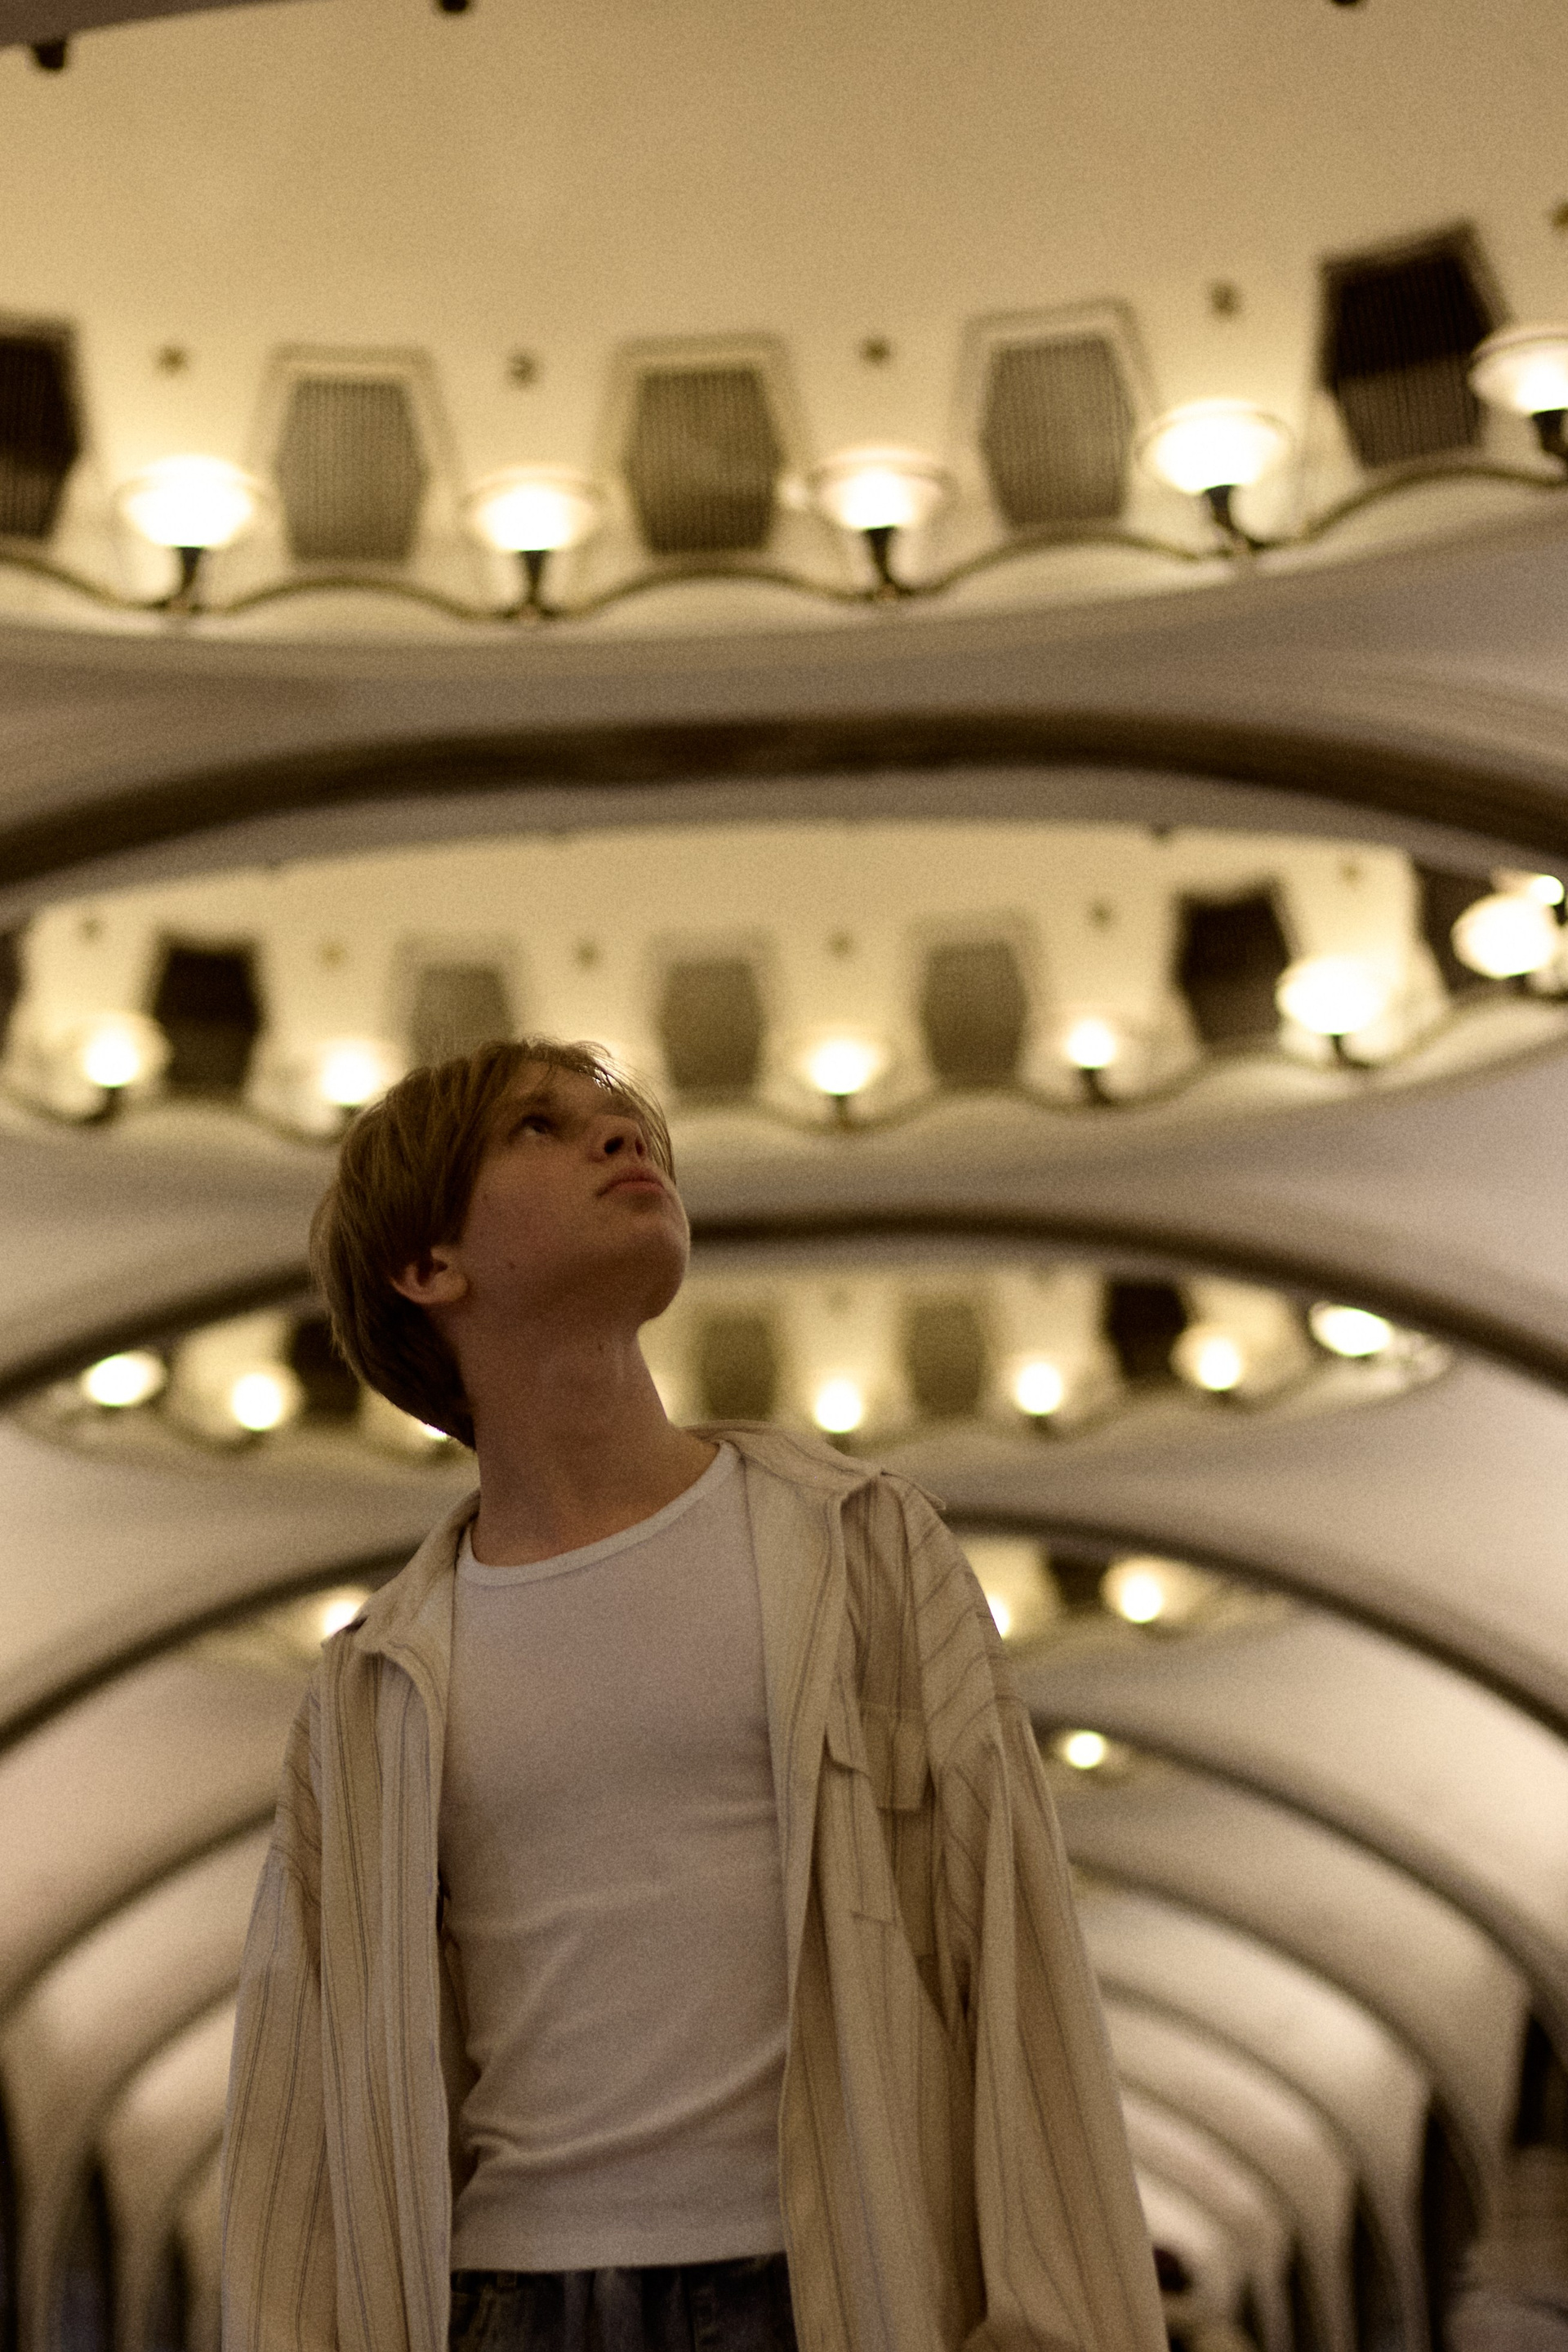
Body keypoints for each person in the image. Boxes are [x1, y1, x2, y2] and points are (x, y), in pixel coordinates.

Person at [220, 1036, 1166, 2352]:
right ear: (428, 1266)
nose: (622, 1138)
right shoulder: (371, 1687)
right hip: (510, 2302)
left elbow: (1015, 1959)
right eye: (539, 1128)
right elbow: (298, 2107)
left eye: (622, 1118)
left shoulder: (864, 1552)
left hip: (838, 2291)